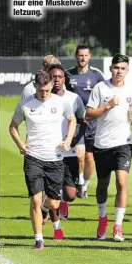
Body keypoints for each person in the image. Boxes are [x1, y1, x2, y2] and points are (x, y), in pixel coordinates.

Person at [10, 69, 76, 250]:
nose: (45, 94)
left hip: (55, 159)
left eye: (47, 90)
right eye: (41, 90)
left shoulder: (61, 102)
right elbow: (13, 126)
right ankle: (39, 239)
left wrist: (68, 140)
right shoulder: (25, 104)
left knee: (54, 203)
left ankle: (46, 209)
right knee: (35, 201)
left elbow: (72, 120)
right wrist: (20, 145)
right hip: (33, 158)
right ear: (35, 87)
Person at [86, 54, 132, 242]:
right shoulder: (100, 88)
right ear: (111, 69)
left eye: (123, 68)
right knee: (102, 185)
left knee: (122, 182)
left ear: (127, 70)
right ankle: (102, 218)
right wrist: (108, 105)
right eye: (116, 68)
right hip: (102, 144)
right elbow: (89, 114)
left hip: (123, 143)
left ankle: (118, 226)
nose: (119, 71)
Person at [66, 44, 105, 199]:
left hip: (93, 122)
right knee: (80, 155)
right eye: (80, 55)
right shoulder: (68, 74)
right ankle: (79, 180)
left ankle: (85, 185)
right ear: (76, 56)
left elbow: (105, 93)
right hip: (76, 122)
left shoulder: (96, 75)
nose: (82, 58)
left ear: (90, 56)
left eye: (85, 55)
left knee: (90, 157)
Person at [49, 64, 87, 223]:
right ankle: (56, 229)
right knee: (53, 193)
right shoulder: (43, 97)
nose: (56, 80)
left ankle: (61, 203)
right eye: (53, 77)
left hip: (69, 152)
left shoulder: (73, 98)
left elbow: (84, 122)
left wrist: (73, 141)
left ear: (64, 79)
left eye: (59, 77)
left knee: (71, 194)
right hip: (50, 152)